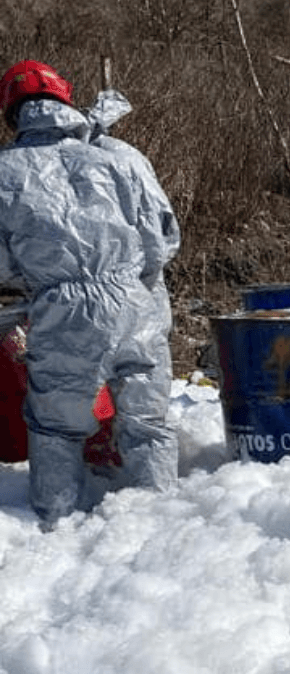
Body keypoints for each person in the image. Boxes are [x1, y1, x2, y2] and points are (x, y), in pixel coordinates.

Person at [0, 60, 180, 530]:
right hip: (135, 303)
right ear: (65, 100)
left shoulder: (5, 171)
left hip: (63, 312)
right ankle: (162, 531)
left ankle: (58, 533)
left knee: (57, 428)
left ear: (13, 115)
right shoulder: (119, 155)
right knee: (147, 426)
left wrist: (41, 277)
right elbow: (163, 237)